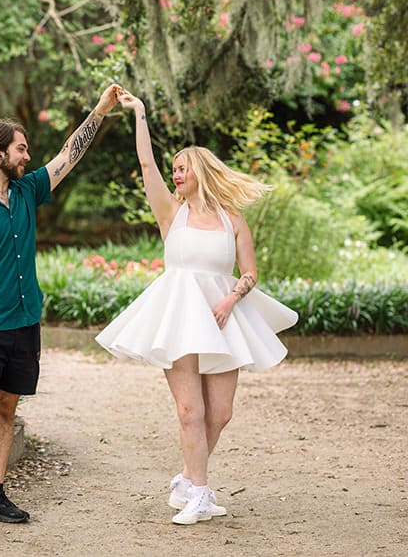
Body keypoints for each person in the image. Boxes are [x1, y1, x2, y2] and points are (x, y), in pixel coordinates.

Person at [95, 91, 298, 524]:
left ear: (200, 171)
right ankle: (201, 494)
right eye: (175, 170)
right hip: (179, 316)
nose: (176, 174)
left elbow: (250, 274)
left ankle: (188, 479)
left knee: (220, 413)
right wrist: (140, 116)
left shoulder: (233, 219)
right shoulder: (172, 213)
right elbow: (147, 166)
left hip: (224, 317)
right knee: (191, 410)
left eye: (182, 168)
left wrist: (231, 298)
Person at [0, 84, 122, 530]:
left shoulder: (25, 193)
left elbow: (68, 155)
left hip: (24, 323)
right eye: (21, 149)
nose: (28, 156)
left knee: (6, 407)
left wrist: (99, 111)